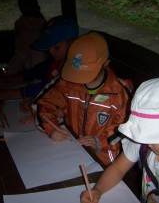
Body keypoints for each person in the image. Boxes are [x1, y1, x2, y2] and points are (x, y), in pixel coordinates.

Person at [35, 32, 132, 166]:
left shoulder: (120, 93)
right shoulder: (67, 83)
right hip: (71, 149)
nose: (79, 78)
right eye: (76, 71)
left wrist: (100, 141)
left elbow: (126, 127)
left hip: (105, 159)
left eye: (86, 73)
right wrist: (51, 128)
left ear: (106, 63)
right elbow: (45, 103)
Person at [0, 15, 79, 101]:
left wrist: (14, 93)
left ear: (72, 44)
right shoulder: (57, 60)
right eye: (48, 46)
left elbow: (53, 88)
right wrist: (10, 79)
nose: (50, 51)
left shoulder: (78, 68)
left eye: (56, 47)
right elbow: (41, 70)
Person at [0, 0, 46, 91]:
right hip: (39, 73)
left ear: (22, 10)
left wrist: (8, 72)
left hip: (32, 75)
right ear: (38, 7)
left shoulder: (25, 27)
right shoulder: (44, 25)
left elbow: (22, 54)